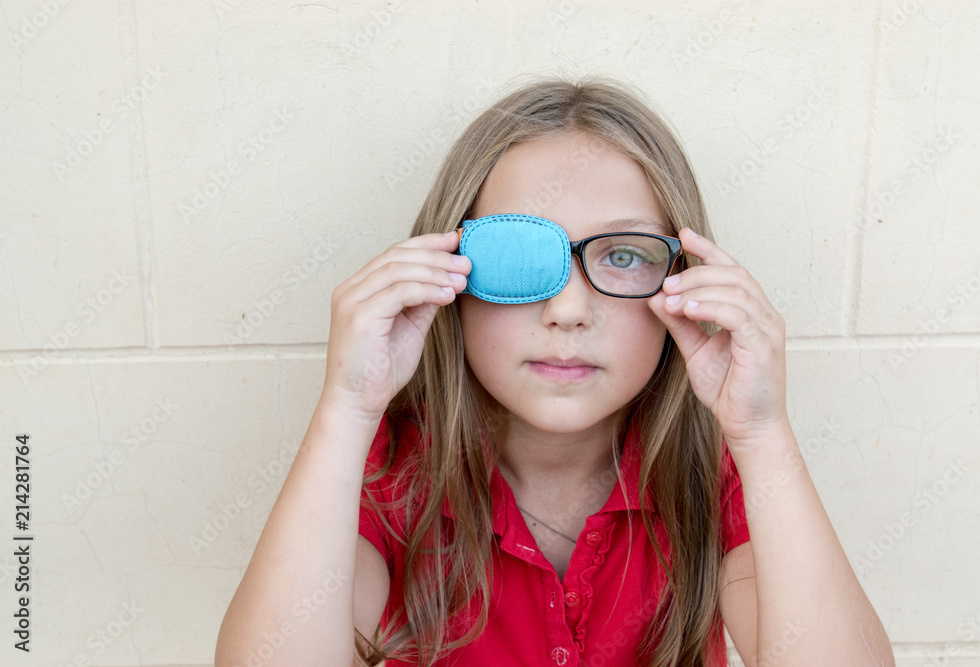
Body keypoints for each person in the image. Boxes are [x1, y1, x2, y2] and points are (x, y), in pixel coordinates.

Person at [215, 76, 894, 667]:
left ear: (682, 287)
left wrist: (763, 429)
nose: (568, 309)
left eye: (624, 255)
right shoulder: (389, 475)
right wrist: (347, 407)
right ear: (446, 276)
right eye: (516, 256)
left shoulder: (714, 476)